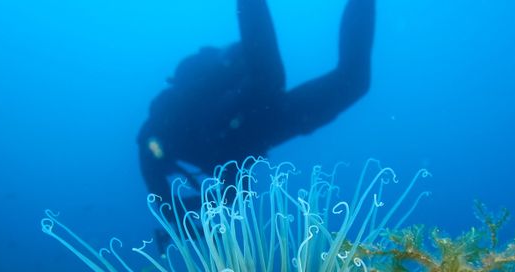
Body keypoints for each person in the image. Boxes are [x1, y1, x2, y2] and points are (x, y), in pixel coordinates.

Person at [137, 0, 376, 209]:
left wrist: (175, 212)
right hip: (264, 128)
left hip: (224, 114)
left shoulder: (156, 139)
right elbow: (236, 193)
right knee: (354, 82)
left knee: (267, 79)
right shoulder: (203, 161)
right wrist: (192, 209)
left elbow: (159, 191)